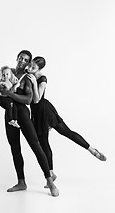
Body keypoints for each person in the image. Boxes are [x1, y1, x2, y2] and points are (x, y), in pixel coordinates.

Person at [27, 56, 107, 184]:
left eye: (33, 67)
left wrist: (34, 83)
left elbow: (37, 99)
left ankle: (92, 150)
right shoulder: (28, 75)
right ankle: (51, 174)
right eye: (30, 65)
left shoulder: (42, 79)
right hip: (36, 113)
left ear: (40, 69)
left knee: (66, 132)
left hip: (45, 111)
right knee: (44, 143)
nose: (30, 68)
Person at [0, 50, 59, 197]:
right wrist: (0, 97)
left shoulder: (27, 78)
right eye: (20, 57)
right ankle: (21, 182)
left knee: (35, 144)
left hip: (23, 113)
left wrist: (10, 94)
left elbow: (28, 100)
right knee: (14, 147)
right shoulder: (8, 72)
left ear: (28, 62)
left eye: (25, 59)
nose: (21, 60)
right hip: (10, 113)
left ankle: (50, 182)